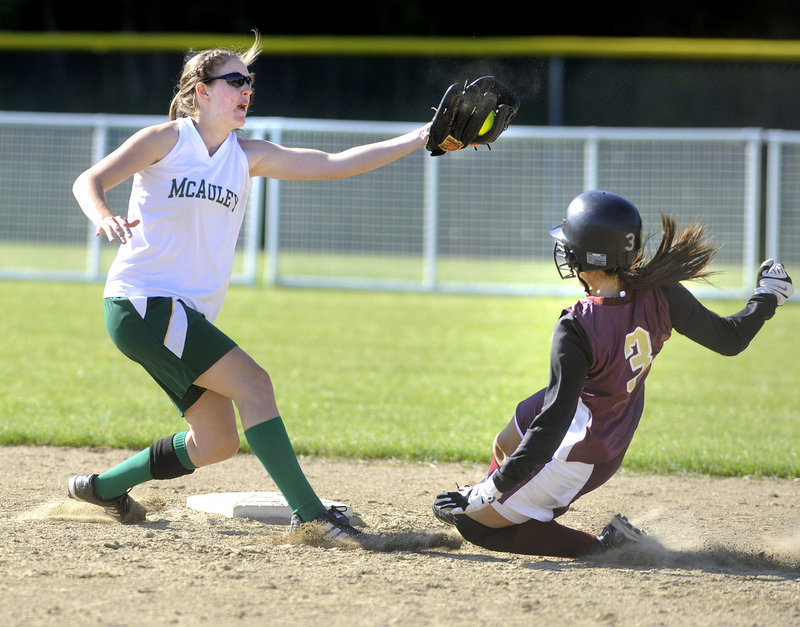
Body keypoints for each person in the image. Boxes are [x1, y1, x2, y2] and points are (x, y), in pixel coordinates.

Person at [68, 32, 430, 538]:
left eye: (249, 82)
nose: (245, 90)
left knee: (215, 441)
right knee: (255, 385)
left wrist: (421, 137)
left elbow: (335, 165)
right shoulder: (167, 140)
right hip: (142, 300)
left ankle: (101, 488)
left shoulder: (246, 155)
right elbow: (88, 181)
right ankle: (311, 516)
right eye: (234, 80)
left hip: (173, 314)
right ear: (201, 90)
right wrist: (104, 214)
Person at [432, 189, 794, 557]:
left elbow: (553, 424)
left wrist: (488, 491)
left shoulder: (576, 324)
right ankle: (506, 503)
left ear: (584, 256)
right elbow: (729, 339)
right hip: (600, 413)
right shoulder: (659, 291)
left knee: (473, 525)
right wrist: (767, 295)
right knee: (506, 442)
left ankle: (605, 546)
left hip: (585, 444)